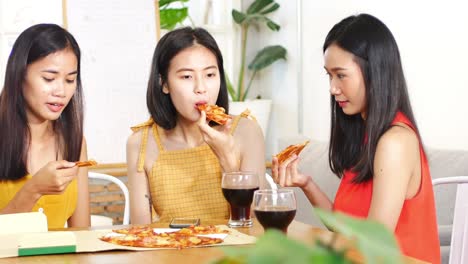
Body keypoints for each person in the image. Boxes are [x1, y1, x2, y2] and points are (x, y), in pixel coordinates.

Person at [272, 14, 440, 264]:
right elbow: (345, 231)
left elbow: (372, 244)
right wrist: (306, 184)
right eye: (329, 75)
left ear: (375, 72)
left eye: (341, 75)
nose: (332, 88)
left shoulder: (395, 142)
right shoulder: (368, 137)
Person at [127, 27, 266, 224]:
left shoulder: (246, 131)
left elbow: (258, 225)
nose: (201, 88)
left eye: (210, 75)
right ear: (164, 83)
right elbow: (141, 231)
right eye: (186, 77)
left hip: (234, 253)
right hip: (169, 252)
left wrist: (228, 161)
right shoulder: (140, 142)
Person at [0, 24, 90, 228]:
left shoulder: (74, 142)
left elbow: (82, 232)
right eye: (49, 78)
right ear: (20, 75)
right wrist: (33, 190)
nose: (61, 91)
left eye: (70, 80)